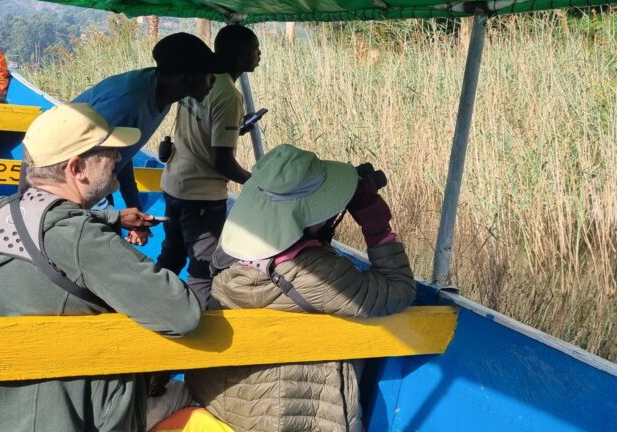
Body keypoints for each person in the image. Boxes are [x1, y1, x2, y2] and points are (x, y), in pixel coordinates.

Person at [0, 104, 202, 432]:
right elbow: (182, 314)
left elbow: (44, 225)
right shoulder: (80, 239)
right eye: (109, 152)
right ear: (76, 168)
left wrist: (113, 217)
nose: (119, 158)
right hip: (48, 419)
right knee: (187, 392)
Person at [184, 144, 417, 432]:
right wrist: (375, 223)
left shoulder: (232, 248)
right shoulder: (316, 272)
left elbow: (285, 244)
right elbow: (399, 290)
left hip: (227, 402)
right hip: (290, 416)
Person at [73, 32, 217, 245]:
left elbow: (121, 154)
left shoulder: (164, 92)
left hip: (94, 184)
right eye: (209, 75)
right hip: (66, 187)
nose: (213, 81)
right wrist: (115, 216)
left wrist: (135, 210)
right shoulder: (127, 104)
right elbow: (81, 169)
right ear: (185, 78)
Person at [156, 25, 261, 308]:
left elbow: (200, 130)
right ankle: (201, 329)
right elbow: (222, 162)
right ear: (240, 58)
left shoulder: (198, 77)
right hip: (200, 195)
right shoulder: (227, 94)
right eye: (255, 50)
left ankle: (151, 304)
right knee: (203, 270)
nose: (259, 54)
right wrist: (256, 184)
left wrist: (233, 129)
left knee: (172, 253)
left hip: (173, 183)